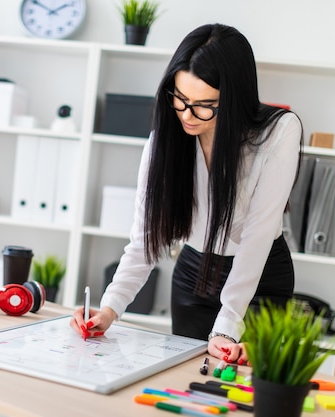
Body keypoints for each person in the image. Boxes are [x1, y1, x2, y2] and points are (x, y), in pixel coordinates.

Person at [71, 23, 303, 364]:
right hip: (194, 272)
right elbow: (145, 239)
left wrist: (226, 326)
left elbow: (257, 236)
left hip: (260, 277)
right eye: (180, 99)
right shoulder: (165, 140)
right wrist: (109, 309)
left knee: (244, 386)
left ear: (234, 98)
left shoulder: (278, 132)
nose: (187, 115)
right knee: (188, 378)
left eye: (204, 105)